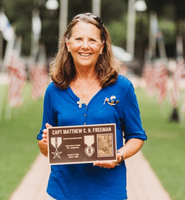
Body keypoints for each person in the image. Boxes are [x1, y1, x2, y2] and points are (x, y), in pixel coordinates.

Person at [37, 13, 147, 200]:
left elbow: (137, 136)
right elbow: (44, 146)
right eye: (78, 39)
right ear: (68, 43)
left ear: (102, 46)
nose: (85, 46)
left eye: (92, 40)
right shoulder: (54, 90)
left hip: (108, 192)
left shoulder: (122, 87)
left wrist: (118, 156)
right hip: (63, 191)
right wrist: (46, 142)